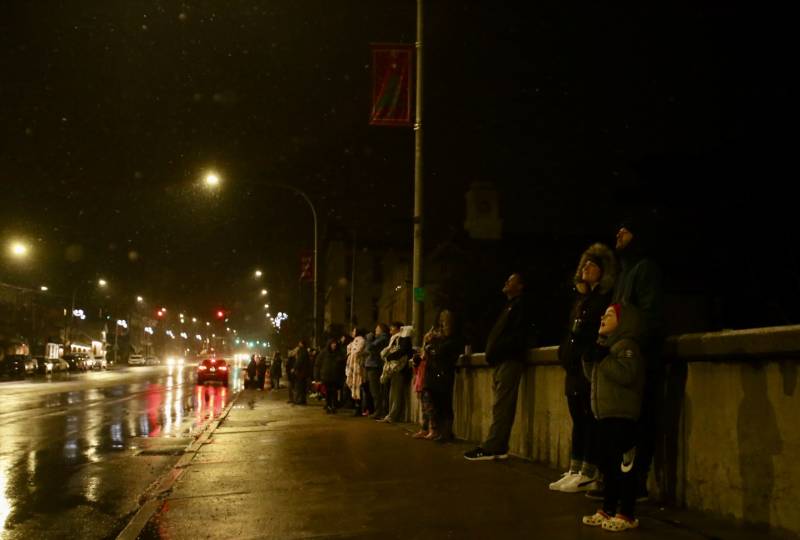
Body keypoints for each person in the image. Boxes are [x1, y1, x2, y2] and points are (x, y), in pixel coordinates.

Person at [550, 244, 616, 493]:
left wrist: (585, 354)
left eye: (593, 265)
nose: (586, 268)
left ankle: (588, 471)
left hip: (587, 367)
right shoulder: (582, 300)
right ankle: (576, 468)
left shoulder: (602, 300)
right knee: (578, 419)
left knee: (589, 420)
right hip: (573, 368)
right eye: (585, 264)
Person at [609, 216, 666, 502]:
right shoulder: (625, 274)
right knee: (626, 425)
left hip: (639, 360)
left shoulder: (644, 269)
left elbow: (649, 316)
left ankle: (636, 484)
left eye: (627, 229)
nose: (619, 232)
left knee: (640, 422)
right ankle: (625, 482)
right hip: (625, 357)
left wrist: (630, 345)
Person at [581, 303, 645, 532]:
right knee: (608, 467)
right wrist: (589, 359)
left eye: (609, 315)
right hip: (604, 414)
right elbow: (593, 376)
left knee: (624, 466)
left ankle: (626, 513)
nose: (602, 317)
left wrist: (604, 359)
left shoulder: (626, 346)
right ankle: (607, 508)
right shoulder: (607, 347)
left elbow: (626, 375)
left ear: (624, 321)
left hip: (622, 415)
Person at [464, 272, 535, 461]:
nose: (506, 282)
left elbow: (518, 336)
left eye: (511, 281)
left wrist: (498, 350)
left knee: (502, 406)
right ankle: (497, 444)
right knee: (499, 406)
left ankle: (494, 445)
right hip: (501, 360)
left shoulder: (521, 306)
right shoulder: (510, 306)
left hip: (509, 360)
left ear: (520, 286)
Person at [418, 309, 465, 441]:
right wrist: (427, 343)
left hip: (444, 372)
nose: (442, 324)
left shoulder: (453, 339)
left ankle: (446, 433)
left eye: (445, 321)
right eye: (441, 321)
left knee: (445, 402)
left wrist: (432, 348)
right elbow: (427, 352)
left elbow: (440, 352)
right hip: (433, 373)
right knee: (437, 403)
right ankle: (440, 431)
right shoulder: (438, 338)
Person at [378, 322, 414, 423]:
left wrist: (389, 356)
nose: (390, 330)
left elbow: (402, 351)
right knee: (393, 392)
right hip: (394, 368)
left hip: (399, 369)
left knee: (396, 393)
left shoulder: (403, 338)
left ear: (399, 329)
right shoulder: (395, 338)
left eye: (392, 328)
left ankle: (393, 415)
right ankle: (391, 414)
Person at [365, 324, 390, 419]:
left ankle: (379, 411)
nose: (375, 330)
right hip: (374, 365)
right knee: (374, 390)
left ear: (382, 330)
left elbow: (370, 348)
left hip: (375, 366)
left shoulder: (382, 338)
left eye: (377, 328)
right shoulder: (379, 338)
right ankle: (378, 410)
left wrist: (369, 339)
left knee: (376, 390)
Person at [318, 339, 346, 413]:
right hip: (326, 376)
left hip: (336, 376)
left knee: (334, 392)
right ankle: (328, 405)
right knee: (328, 392)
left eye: (335, 343)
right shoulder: (324, 353)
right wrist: (317, 375)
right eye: (332, 343)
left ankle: (333, 406)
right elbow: (318, 363)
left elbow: (343, 364)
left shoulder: (339, 353)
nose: (334, 345)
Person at [345, 328, 367, 416]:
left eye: (353, 331)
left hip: (357, 365)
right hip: (353, 365)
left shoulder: (360, 340)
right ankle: (356, 406)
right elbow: (349, 349)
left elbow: (357, 351)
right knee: (354, 386)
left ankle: (359, 408)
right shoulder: (355, 341)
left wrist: (352, 353)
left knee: (358, 385)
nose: (352, 332)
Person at [293, 340, 311, 405]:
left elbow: (299, 361)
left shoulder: (302, 351)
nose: (298, 344)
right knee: (303, 387)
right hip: (305, 372)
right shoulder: (305, 351)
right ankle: (303, 400)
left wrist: (294, 368)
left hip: (301, 372)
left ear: (302, 344)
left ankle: (300, 400)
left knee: (300, 386)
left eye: (299, 343)